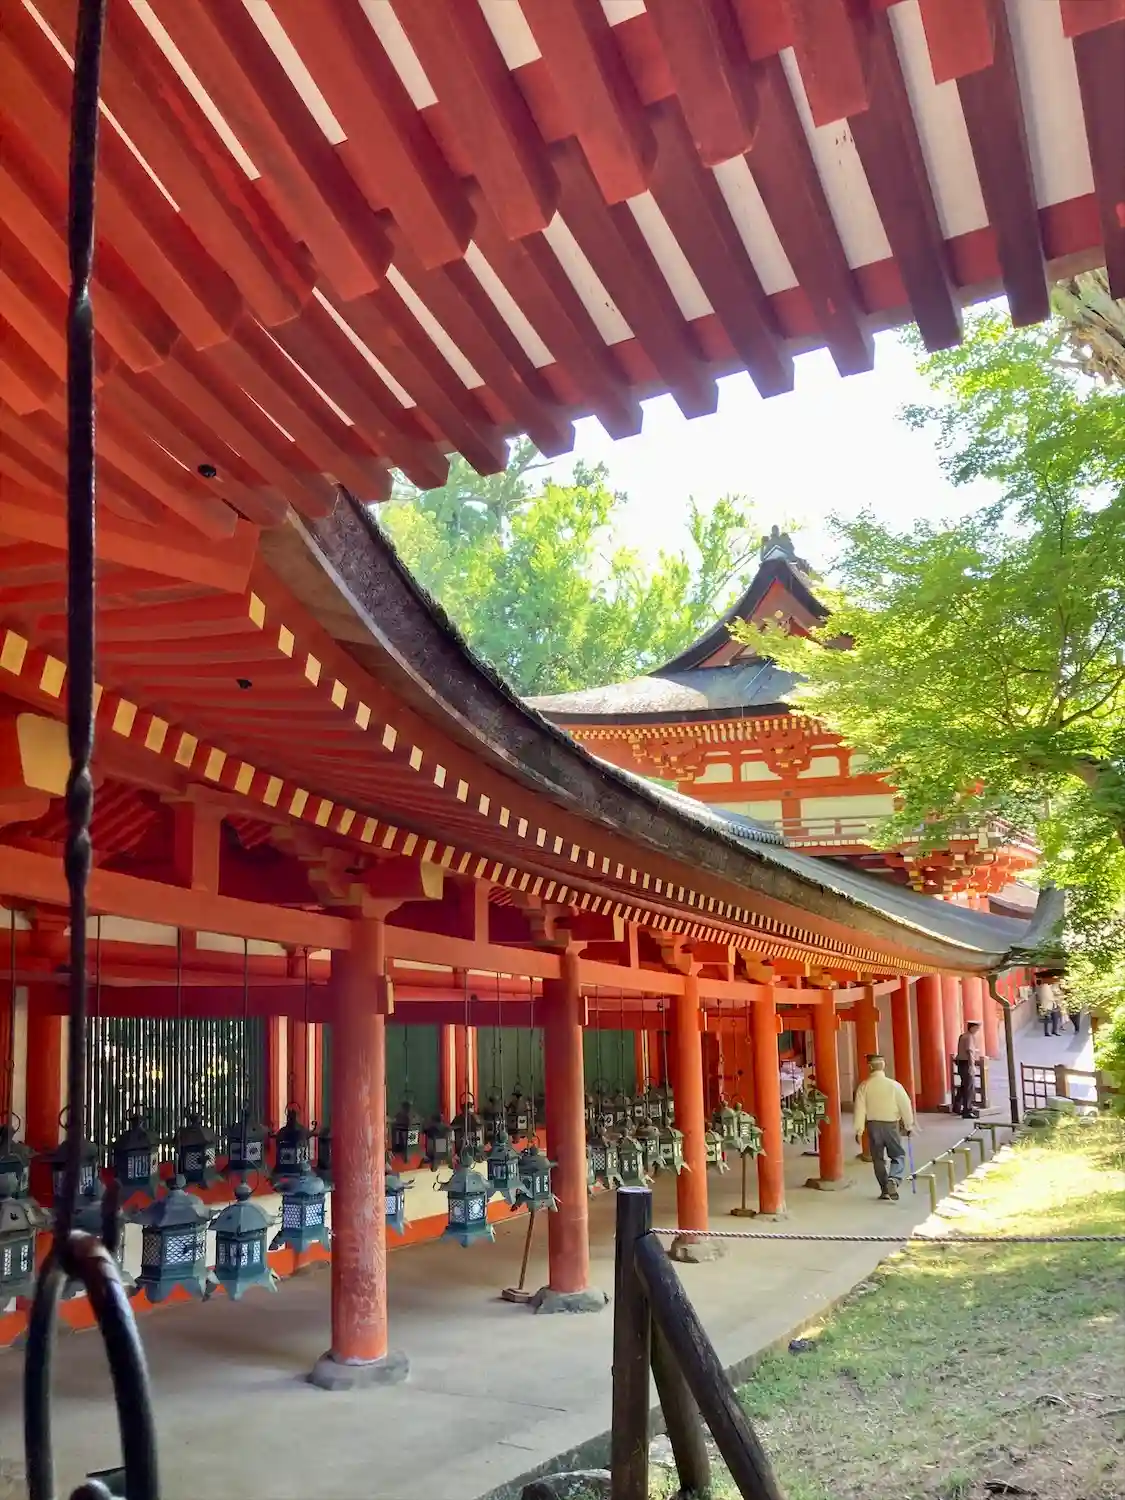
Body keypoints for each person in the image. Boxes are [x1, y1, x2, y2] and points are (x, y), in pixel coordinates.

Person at [853, 1054, 915, 1202]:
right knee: (897, 1155)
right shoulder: (894, 1085)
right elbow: (905, 1105)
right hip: (891, 1125)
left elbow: (859, 1109)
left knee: (878, 1159)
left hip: (873, 1126)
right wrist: (909, 1124)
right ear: (883, 1066)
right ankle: (893, 1179)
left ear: (869, 1067)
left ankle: (885, 1190)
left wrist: (859, 1130)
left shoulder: (864, 1086)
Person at [953, 1020, 982, 1119]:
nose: (977, 1030)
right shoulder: (969, 1037)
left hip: (961, 1063)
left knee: (964, 1086)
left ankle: (957, 1106)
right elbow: (969, 1052)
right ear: (972, 1027)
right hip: (966, 1063)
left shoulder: (963, 1036)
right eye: (977, 1028)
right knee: (969, 1087)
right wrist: (972, 1065)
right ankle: (967, 1110)